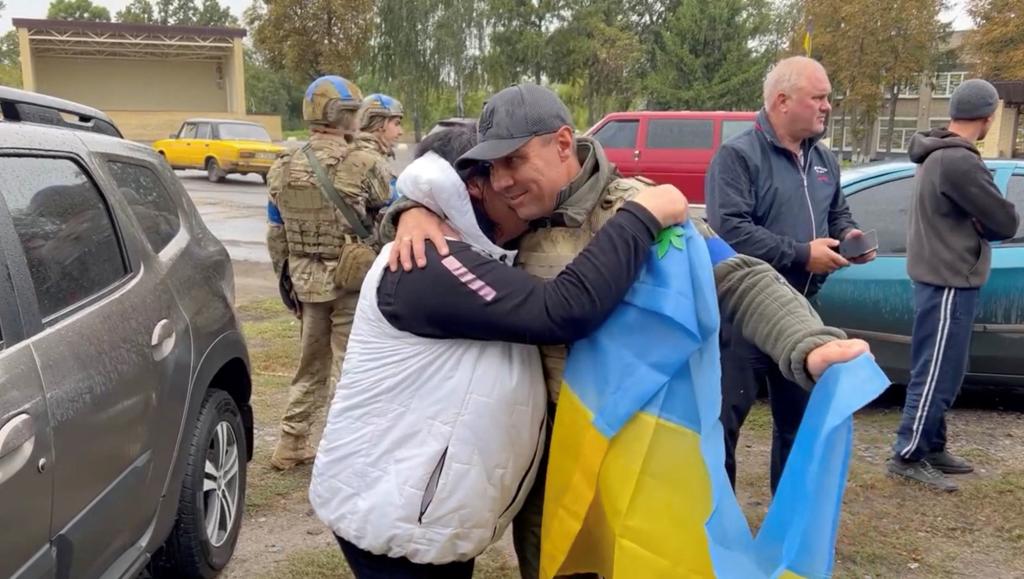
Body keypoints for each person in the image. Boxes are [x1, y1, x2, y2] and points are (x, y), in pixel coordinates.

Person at [385, 83, 871, 579]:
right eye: (492, 168)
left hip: (637, 450)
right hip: (548, 458)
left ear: (561, 143)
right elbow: (431, 187)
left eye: (513, 161)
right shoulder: (508, 218)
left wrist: (807, 343)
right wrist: (409, 211)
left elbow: (740, 278)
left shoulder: (645, 211)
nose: (502, 181)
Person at [309, 130, 691, 579]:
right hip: (397, 523)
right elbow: (560, 311)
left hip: (420, 511)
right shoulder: (431, 262)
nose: (522, 207)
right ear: (472, 189)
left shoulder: (463, 247)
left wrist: (407, 207)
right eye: (501, 181)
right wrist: (641, 215)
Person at [705, 56, 876, 493]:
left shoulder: (824, 160)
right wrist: (802, 254)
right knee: (721, 427)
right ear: (782, 101)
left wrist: (848, 234)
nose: (828, 106)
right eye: (818, 97)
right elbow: (730, 231)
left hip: (802, 315)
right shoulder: (737, 156)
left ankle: (786, 534)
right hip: (742, 319)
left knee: (798, 428)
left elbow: (837, 212)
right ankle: (715, 533)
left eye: (828, 98)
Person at [888, 79, 1020, 491]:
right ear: (988, 116)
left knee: (945, 365)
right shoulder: (959, 161)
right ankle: (908, 453)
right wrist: (984, 222)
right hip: (947, 278)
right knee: (938, 371)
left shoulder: (936, 153)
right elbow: (1004, 221)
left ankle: (932, 444)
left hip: (941, 275)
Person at [265, 75, 391, 471]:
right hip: (351, 278)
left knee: (309, 366)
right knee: (349, 367)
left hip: (305, 279)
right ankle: (346, 451)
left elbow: (276, 232)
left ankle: (291, 442)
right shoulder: (363, 162)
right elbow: (385, 203)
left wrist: (286, 281)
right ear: (347, 115)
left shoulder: (283, 165)